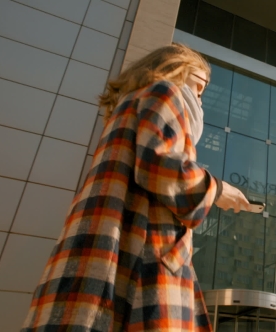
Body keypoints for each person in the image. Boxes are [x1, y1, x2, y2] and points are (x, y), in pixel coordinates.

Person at [21, 43, 249, 331]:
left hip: (103, 245)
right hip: (141, 249)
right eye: (200, 87)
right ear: (175, 69)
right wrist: (217, 189)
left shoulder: (127, 106)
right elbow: (160, 164)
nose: (200, 101)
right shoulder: (167, 91)